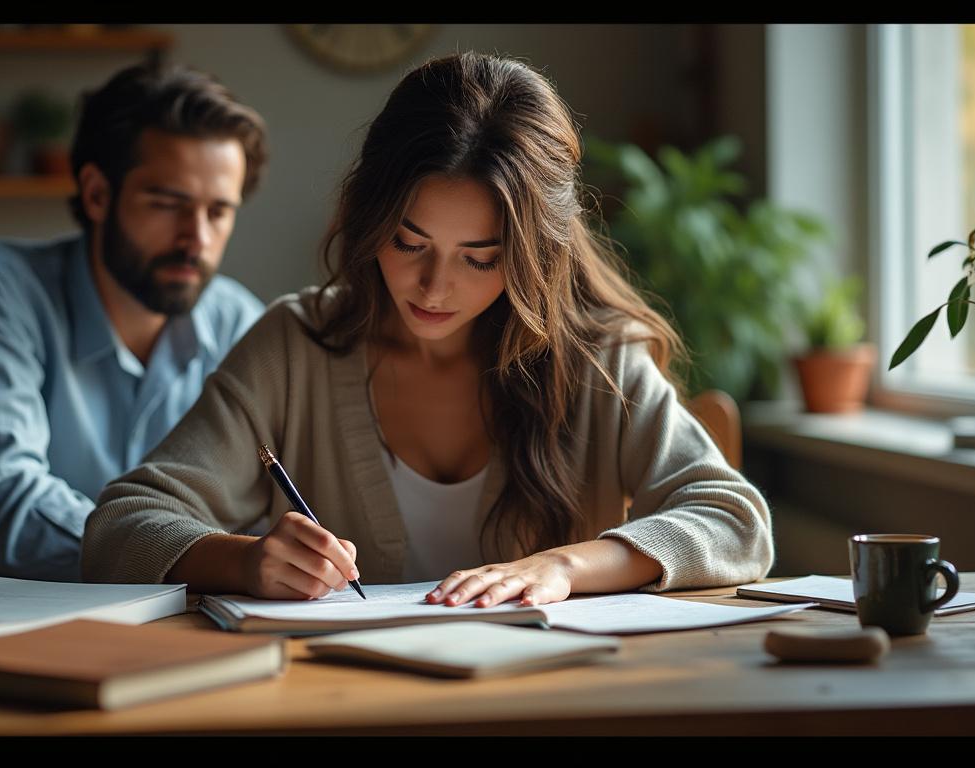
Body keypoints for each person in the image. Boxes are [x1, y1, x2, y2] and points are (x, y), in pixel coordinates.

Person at [82, 52, 773, 608]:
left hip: (551, 706)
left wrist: (564, 567)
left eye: (481, 258)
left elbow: (737, 521)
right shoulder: (298, 346)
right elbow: (119, 527)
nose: (435, 287)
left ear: (535, 255)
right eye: (409, 244)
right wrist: (245, 559)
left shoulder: (595, 356)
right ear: (369, 218)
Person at [0, 62, 269, 588]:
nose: (197, 238)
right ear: (97, 193)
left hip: (146, 625)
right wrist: (181, 555)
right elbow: (1, 502)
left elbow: (263, 503)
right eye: (168, 204)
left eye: (218, 212)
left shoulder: (239, 321)